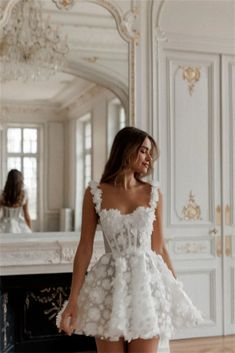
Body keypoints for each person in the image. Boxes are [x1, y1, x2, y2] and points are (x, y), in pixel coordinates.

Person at [57, 127, 203, 353]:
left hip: (147, 287)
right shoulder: (95, 193)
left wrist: (176, 288)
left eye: (150, 152)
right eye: (143, 151)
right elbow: (84, 248)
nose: (149, 157)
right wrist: (73, 299)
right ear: (126, 150)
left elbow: (160, 248)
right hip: (108, 287)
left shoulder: (153, 193)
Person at [0, 169, 32, 233]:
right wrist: (30, 231)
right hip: (19, 225)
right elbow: (26, 215)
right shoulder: (24, 195)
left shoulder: (2, 195)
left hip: (4, 225)